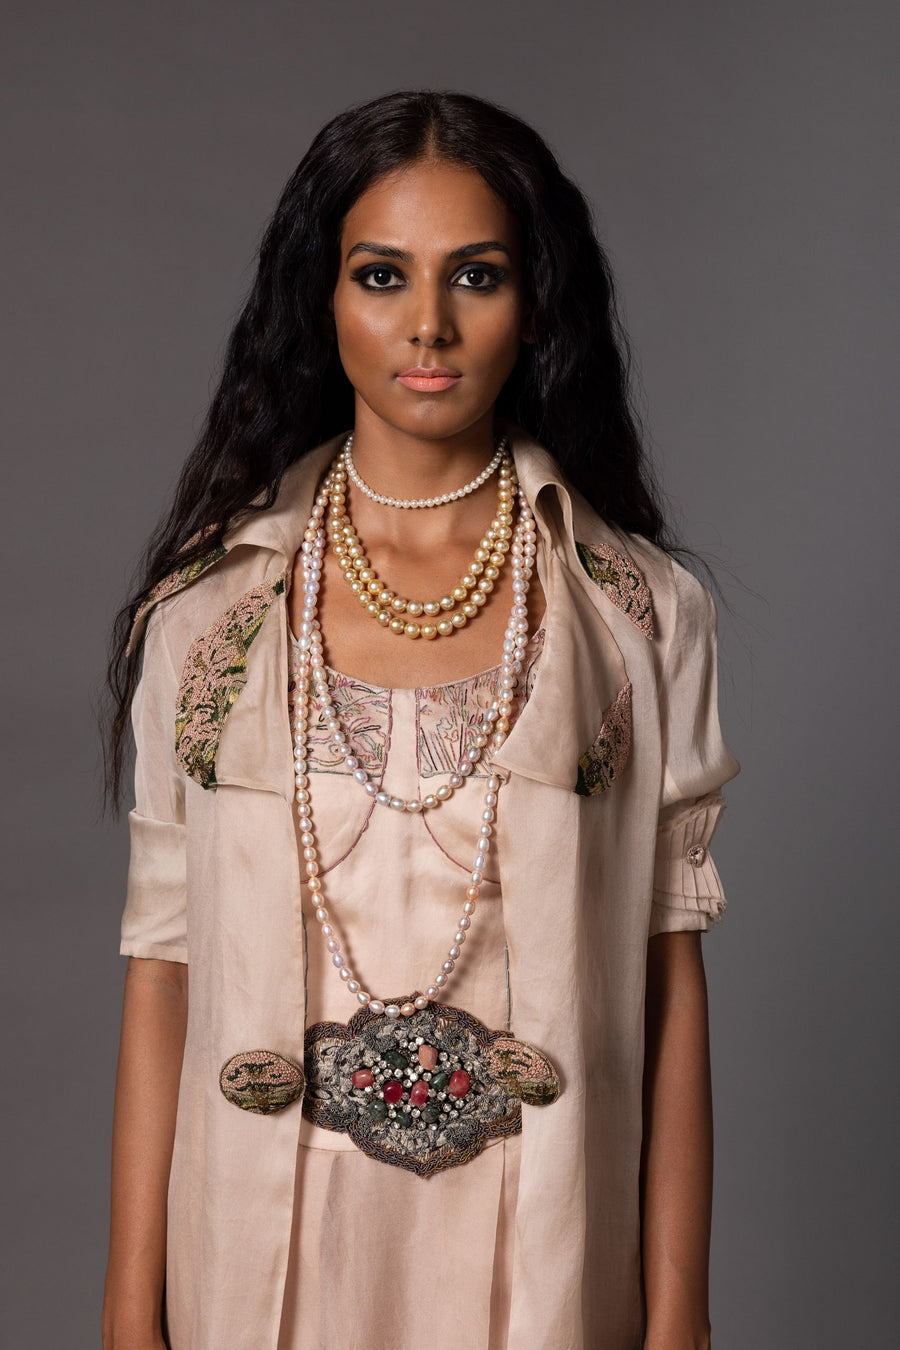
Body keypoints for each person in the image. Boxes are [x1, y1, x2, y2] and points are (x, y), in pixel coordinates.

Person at [101, 89, 740, 1350]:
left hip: (541, 1261)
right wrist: (130, 1316)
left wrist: (679, 1321)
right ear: (319, 300)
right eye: (382, 275)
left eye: (478, 276)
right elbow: (162, 976)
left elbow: (670, 986)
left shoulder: (641, 616)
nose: (429, 325)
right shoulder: (206, 616)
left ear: (535, 302)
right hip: (261, 1261)